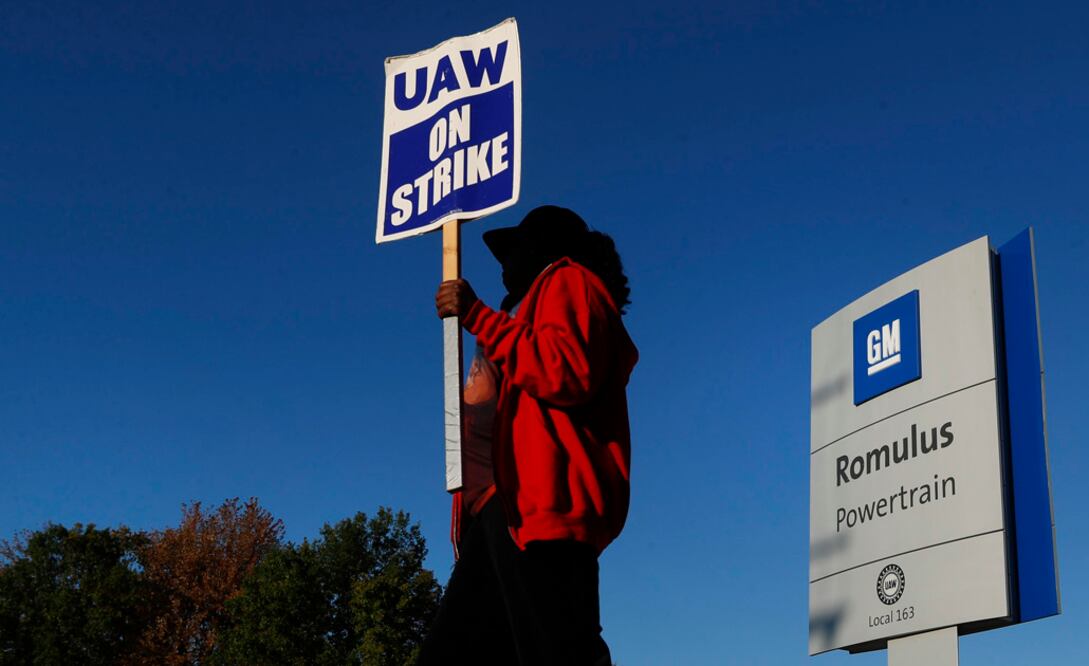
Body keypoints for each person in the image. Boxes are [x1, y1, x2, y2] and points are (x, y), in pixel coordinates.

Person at [417, 206, 638, 666]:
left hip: (541, 512)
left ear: (540, 250)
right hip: (504, 511)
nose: (502, 264)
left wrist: (476, 314)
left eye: (512, 249)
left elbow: (564, 370)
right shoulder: (527, 313)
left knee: (556, 651)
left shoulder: (569, 280)